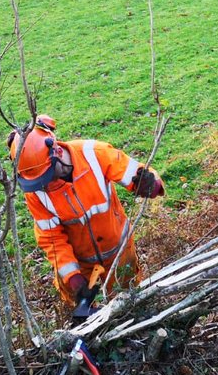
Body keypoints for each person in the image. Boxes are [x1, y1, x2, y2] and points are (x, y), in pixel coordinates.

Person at [8, 115, 164, 305]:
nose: (44, 184)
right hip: (79, 264)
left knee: (131, 303)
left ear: (56, 152)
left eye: (46, 176)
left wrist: (149, 184)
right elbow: (51, 238)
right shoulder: (36, 192)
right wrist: (73, 277)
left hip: (120, 253)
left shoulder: (93, 154)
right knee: (85, 315)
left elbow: (138, 173)